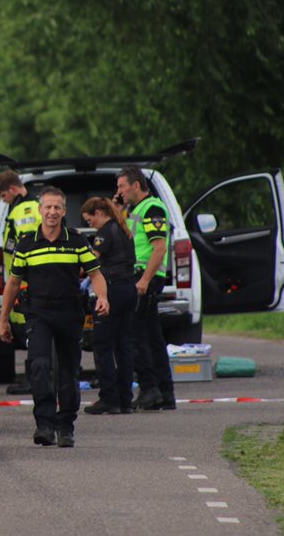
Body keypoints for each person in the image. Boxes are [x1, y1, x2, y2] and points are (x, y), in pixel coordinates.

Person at [0, 186, 110, 448]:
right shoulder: (26, 243)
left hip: (70, 313)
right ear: (39, 211)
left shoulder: (76, 241)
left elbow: (95, 274)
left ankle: (65, 426)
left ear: (63, 210)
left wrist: (103, 297)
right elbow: (13, 283)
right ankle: (45, 424)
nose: (52, 212)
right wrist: (4, 319)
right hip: (38, 314)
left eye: (57, 207)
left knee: (69, 371)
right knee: (38, 366)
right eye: (47, 207)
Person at [116, 165, 176, 411]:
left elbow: (159, 247)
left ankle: (150, 388)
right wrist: (118, 209)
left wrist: (144, 280)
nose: (119, 191)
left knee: (137, 335)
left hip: (145, 277)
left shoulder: (152, 208)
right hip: (141, 276)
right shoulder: (136, 210)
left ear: (136, 185)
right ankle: (164, 393)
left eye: (122, 186)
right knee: (151, 336)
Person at [80, 197, 138, 415]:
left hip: (112, 290)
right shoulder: (123, 228)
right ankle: (125, 400)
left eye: (89, 220)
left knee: (102, 344)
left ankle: (109, 398)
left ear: (98, 213)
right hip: (129, 288)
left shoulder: (105, 232)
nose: (90, 225)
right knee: (123, 345)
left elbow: (91, 262)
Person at [0, 169, 42, 395]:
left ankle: (35, 379)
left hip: (24, 280)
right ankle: (34, 377)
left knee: (30, 331)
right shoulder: (27, 206)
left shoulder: (24, 209)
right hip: (23, 279)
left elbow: (28, 245)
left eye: (3, 196)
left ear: (12, 189)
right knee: (29, 331)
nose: (4, 201)